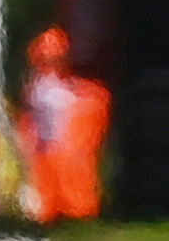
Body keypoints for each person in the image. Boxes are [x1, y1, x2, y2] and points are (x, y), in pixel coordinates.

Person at [18, 28, 111, 224]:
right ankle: (56, 212)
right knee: (50, 185)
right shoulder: (40, 88)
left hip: (59, 146)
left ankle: (70, 211)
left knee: (69, 181)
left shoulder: (50, 86)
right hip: (47, 147)